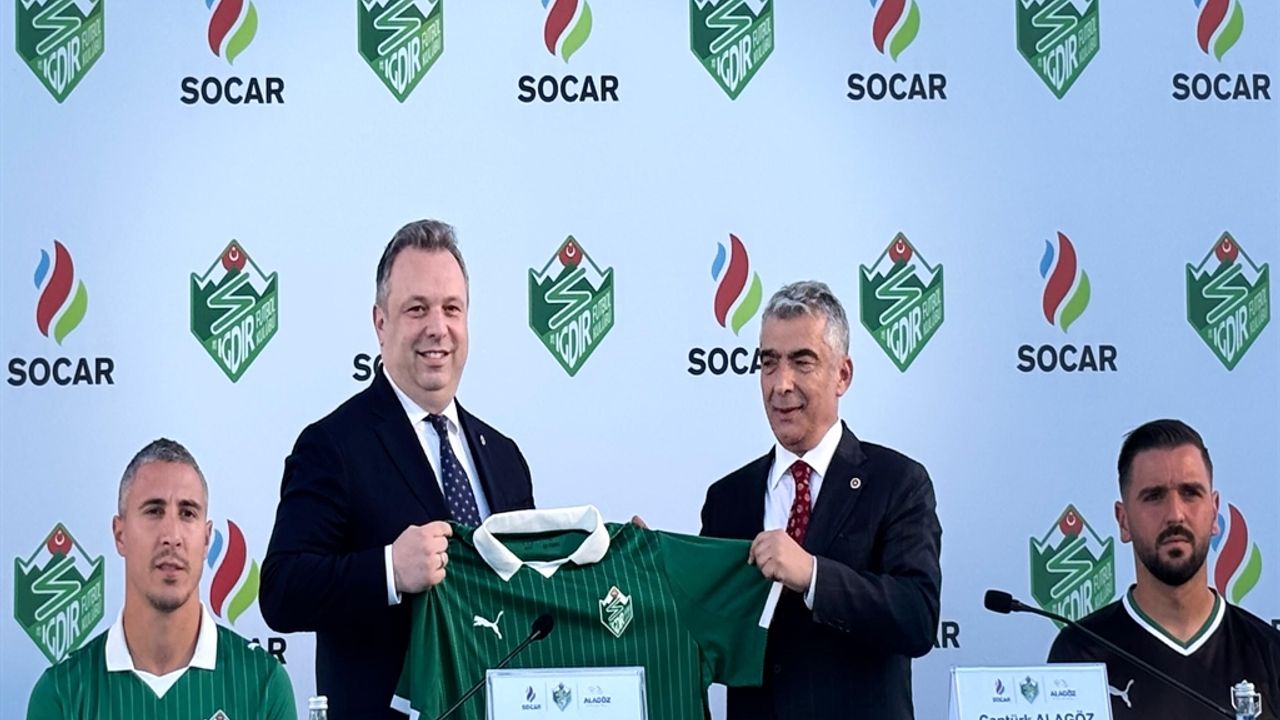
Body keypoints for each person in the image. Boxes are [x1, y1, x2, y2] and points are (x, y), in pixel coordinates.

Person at [260, 219, 535, 719]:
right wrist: (388, 570)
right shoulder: (332, 446)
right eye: (417, 308)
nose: (438, 328)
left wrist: (613, 566)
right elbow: (281, 592)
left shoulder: (504, 457)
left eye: (452, 308)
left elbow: (532, 596)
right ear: (380, 323)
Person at [699, 280, 942, 720]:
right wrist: (658, 573)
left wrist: (813, 576)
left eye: (802, 362)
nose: (781, 384)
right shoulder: (727, 497)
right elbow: (707, 635)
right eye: (768, 363)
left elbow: (916, 616)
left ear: (842, 375)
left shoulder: (898, 482)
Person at [27, 439, 295, 720]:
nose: (172, 536)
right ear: (120, 534)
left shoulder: (263, 683)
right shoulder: (63, 693)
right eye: (154, 511)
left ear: (206, 540)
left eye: (187, 513)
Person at [1049, 419, 1280, 719]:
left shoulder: (1270, 654)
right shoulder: (1079, 654)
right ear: (1123, 520)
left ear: (1214, 512)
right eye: (1154, 496)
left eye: (1190, 492)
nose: (1175, 514)